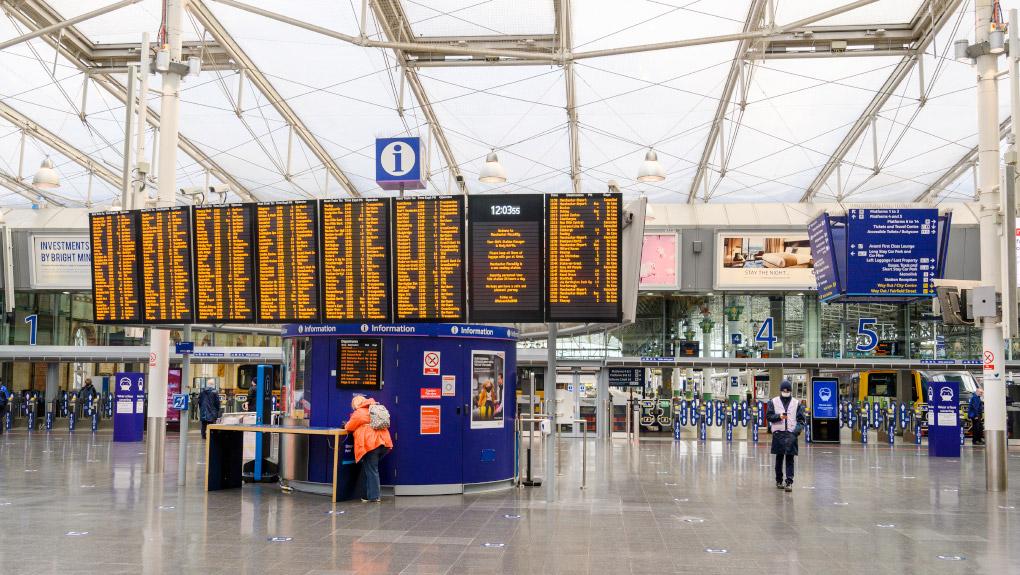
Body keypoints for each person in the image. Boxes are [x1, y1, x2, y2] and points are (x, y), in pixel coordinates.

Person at [344, 395, 393, 502]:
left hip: (371, 444)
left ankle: (374, 496)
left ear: (356, 404)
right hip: (384, 443)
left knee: (371, 469)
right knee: (369, 468)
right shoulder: (375, 408)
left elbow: (349, 427)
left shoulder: (359, 412)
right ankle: (366, 495)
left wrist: (346, 424)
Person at [766, 380, 807, 492]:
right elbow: (768, 416)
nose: (785, 392)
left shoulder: (796, 403)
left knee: (790, 458)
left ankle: (789, 482)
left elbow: (801, 420)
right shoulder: (773, 402)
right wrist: (779, 416)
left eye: (787, 390)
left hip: (791, 434)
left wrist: (795, 432)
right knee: (779, 458)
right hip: (778, 433)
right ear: (780, 390)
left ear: (790, 391)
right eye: (784, 390)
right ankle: (779, 480)